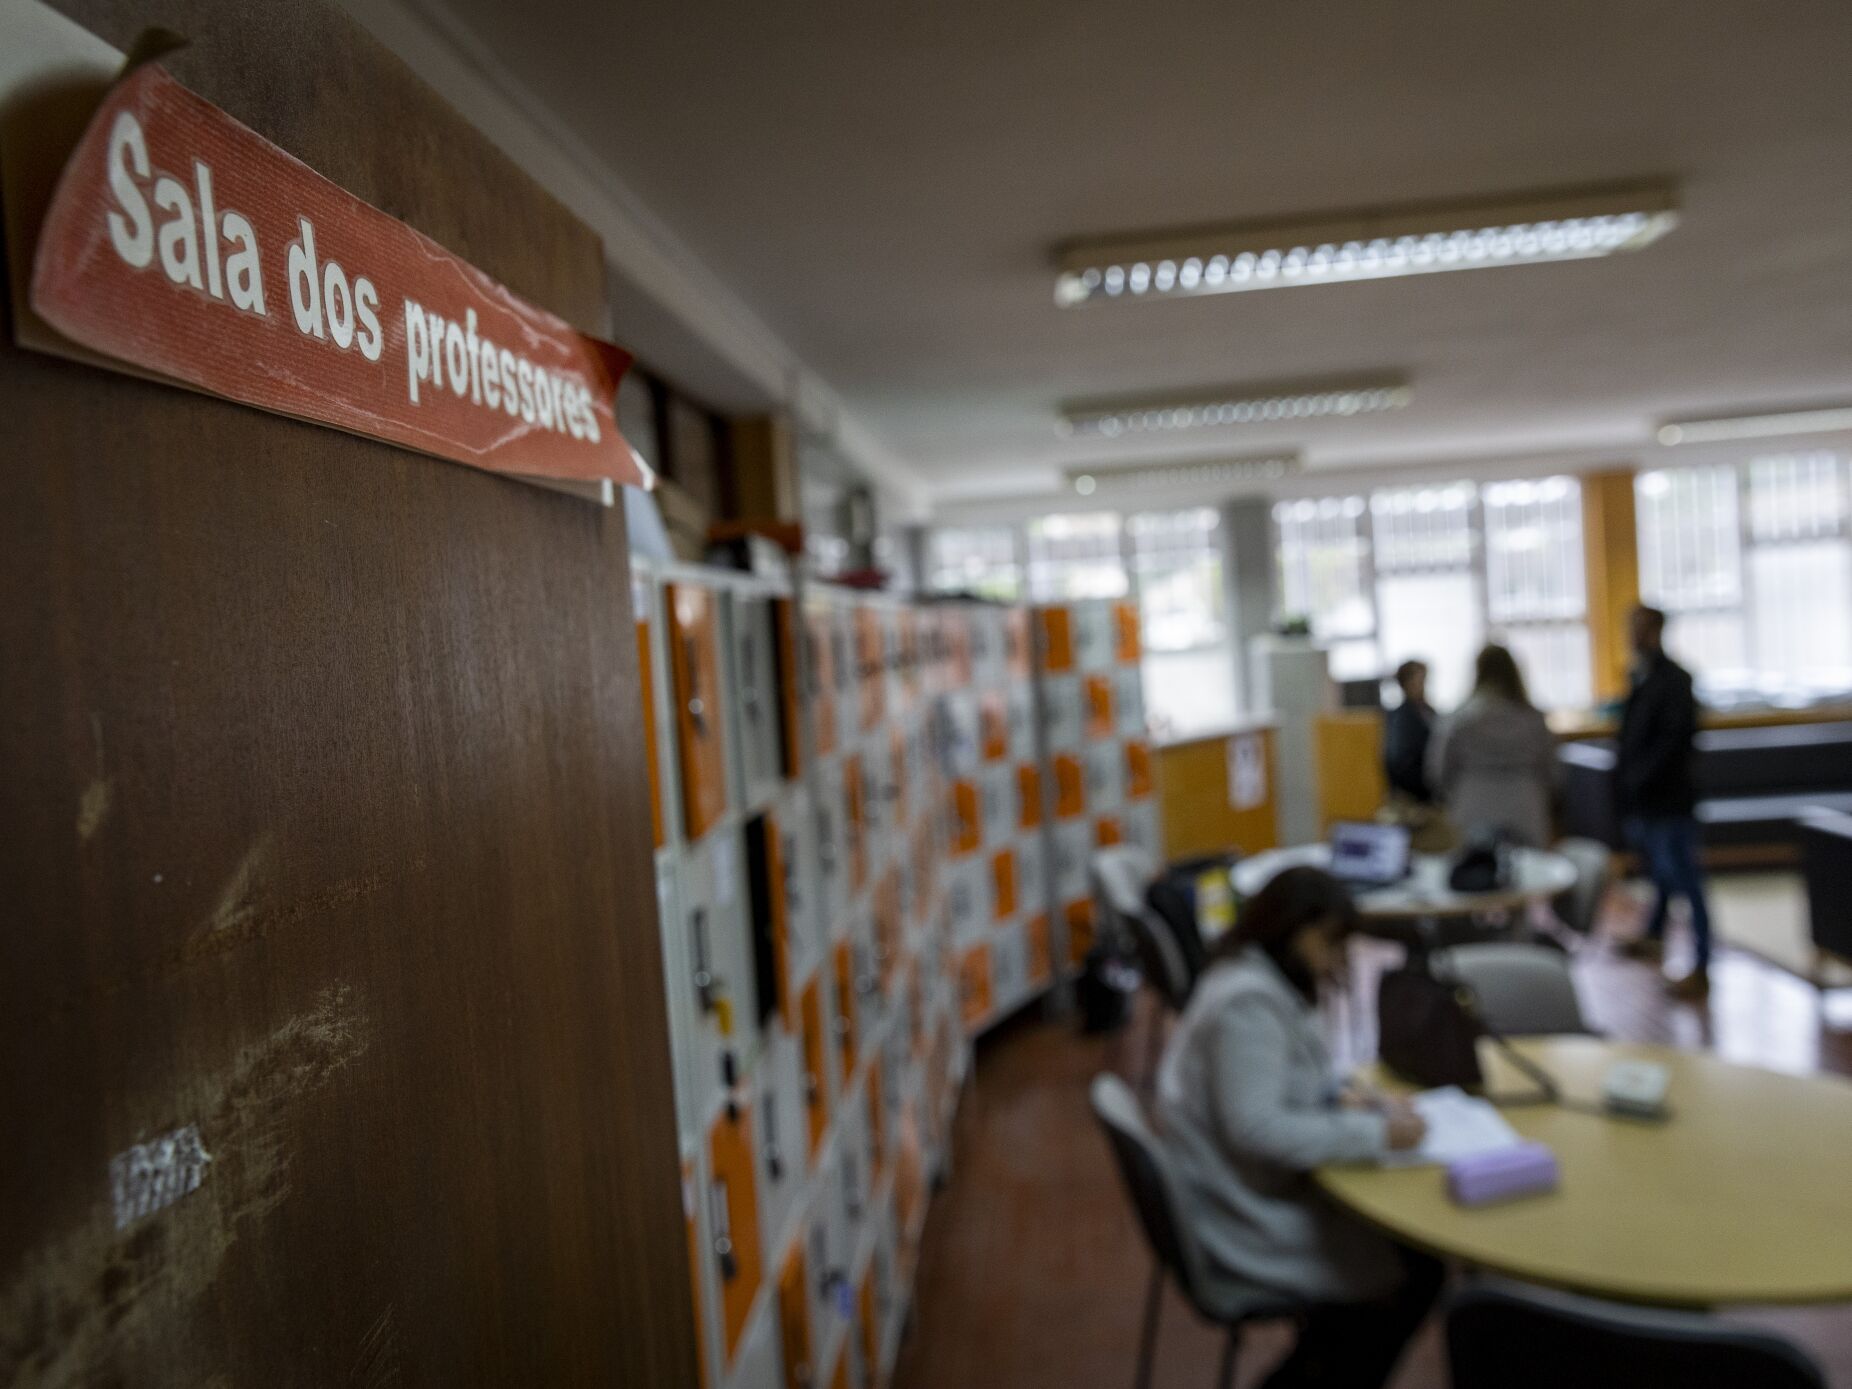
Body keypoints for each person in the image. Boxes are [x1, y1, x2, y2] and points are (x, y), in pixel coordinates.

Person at [1155, 867, 1442, 1388]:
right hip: (1239, 1212)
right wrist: (1378, 1136)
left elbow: (1280, 1078)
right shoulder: (1248, 1004)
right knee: (1417, 1272)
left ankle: (1320, 1362)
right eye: (1333, 943)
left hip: (1240, 1185)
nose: (1339, 959)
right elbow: (1257, 1128)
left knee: (1407, 1260)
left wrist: (1343, 1097)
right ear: (1293, 929)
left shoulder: (1251, 974)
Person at [1614, 605, 1713, 999]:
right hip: (1647, 800)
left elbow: (1674, 744)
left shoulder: (1675, 680)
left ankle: (1703, 964)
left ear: (1655, 630)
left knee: (1687, 880)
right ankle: (1654, 934)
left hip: (1670, 799)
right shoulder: (1642, 676)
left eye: (1638, 628)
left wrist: (1639, 778)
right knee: (1662, 874)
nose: (1632, 635)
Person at [1427, 643, 1558, 847]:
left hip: (1471, 805)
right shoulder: (1534, 718)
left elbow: (1438, 771)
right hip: (1525, 806)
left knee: (1473, 873)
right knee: (1528, 874)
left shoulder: (1458, 719)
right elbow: (1552, 771)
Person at [1382, 659, 1436, 803]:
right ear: (1406, 683)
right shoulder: (1401, 718)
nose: (1423, 685)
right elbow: (1396, 760)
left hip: (1429, 792)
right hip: (1412, 796)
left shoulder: (1429, 712)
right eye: (1419, 680)